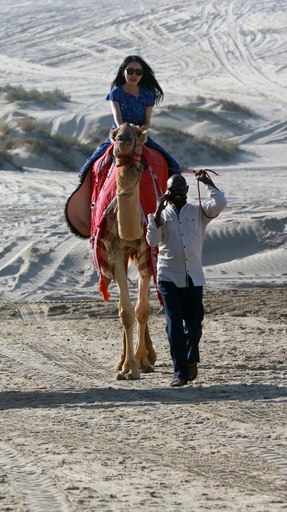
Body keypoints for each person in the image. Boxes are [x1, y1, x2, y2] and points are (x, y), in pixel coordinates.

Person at [146, 172, 227, 387]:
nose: (178, 194)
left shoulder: (198, 211)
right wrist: (156, 213)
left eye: (181, 190)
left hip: (193, 276)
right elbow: (152, 241)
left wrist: (208, 183)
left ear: (187, 191)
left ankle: (191, 360)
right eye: (173, 191)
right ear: (167, 193)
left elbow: (220, 202)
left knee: (194, 326)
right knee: (173, 324)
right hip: (168, 276)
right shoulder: (158, 216)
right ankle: (179, 372)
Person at [80, 55, 179, 177]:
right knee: (90, 166)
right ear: (123, 72)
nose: (134, 75)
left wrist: (142, 129)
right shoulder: (116, 93)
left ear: (142, 75)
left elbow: (147, 121)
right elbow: (118, 118)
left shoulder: (148, 95)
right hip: (119, 135)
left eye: (138, 72)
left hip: (139, 135)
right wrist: (125, 130)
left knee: (173, 165)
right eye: (130, 71)